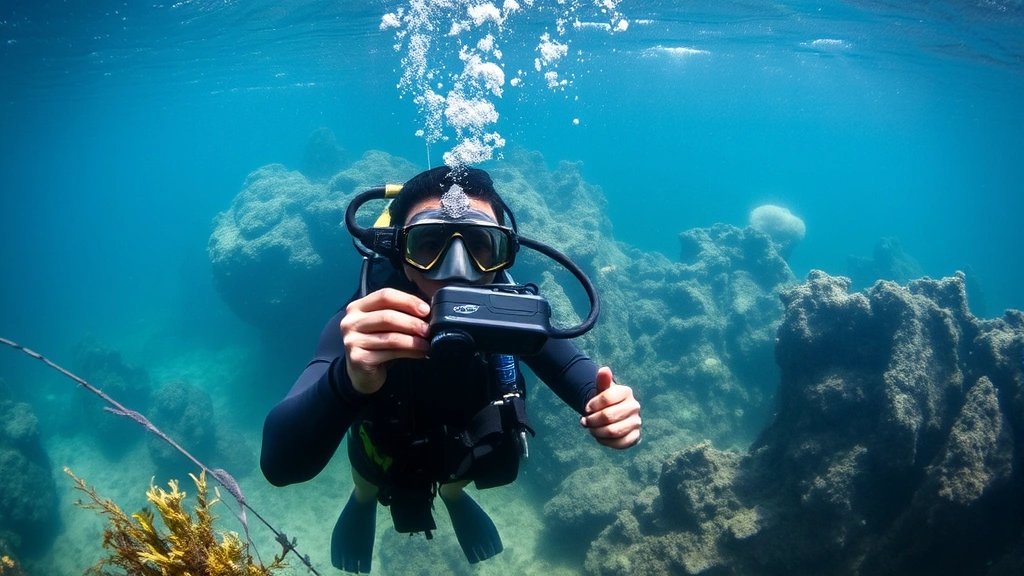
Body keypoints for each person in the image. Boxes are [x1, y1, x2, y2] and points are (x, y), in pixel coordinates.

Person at [260, 165, 642, 573]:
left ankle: (454, 496)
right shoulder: (364, 322)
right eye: (429, 245)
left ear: (503, 254)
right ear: (398, 252)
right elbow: (280, 466)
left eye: (479, 244)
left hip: (464, 451)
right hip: (383, 452)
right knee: (369, 477)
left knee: (456, 476)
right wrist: (347, 380)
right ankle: (364, 499)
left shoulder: (513, 314)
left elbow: (580, 376)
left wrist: (608, 403)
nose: (457, 268)